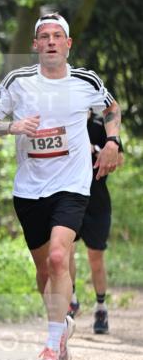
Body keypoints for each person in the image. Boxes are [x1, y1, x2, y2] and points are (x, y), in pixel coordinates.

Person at [0, 11, 122, 360]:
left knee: (60, 257)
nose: (52, 42)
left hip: (72, 185)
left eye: (58, 36)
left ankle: (51, 344)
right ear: (36, 44)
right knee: (45, 270)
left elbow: (112, 110)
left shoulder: (86, 80)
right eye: (45, 37)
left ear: (68, 44)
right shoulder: (18, 82)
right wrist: (13, 126)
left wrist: (112, 142)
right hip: (29, 189)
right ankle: (62, 328)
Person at [69, 110, 125, 333]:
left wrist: (95, 150)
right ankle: (71, 300)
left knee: (96, 259)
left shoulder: (103, 126)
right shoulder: (64, 122)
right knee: (64, 252)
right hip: (69, 200)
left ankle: (101, 307)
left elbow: (120, 159)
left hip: (97, 202)